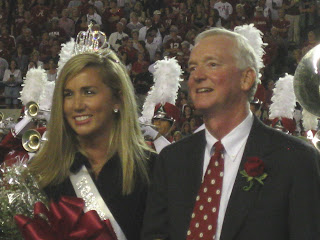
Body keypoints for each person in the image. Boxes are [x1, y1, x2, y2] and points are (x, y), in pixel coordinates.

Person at [142, 27, 320, 240]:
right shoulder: (171, 159)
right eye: (192, 68)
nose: (197, 76)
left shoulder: (295, 158)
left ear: (246, 79)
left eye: (212, 64)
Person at [29, 45, 155, 239]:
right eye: (68, 94)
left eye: (88, 92)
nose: (77, 105)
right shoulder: (43, 171)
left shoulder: (153, 169)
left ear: (118, 100)